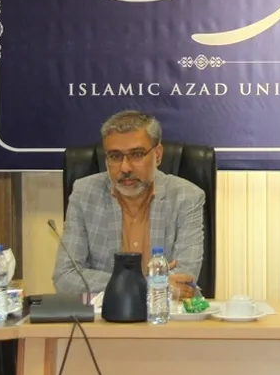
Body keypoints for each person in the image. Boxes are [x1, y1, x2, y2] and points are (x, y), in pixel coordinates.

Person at [53, 111, 203, 299]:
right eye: (115, 156)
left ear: (157, 155)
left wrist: (123, 285)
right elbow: (65, 277)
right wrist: (146, 284)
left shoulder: (186, 196)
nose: (125, 168)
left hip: (166, 313)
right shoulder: (84, 193)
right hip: (107, 315)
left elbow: (184, 279)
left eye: (137, 154)